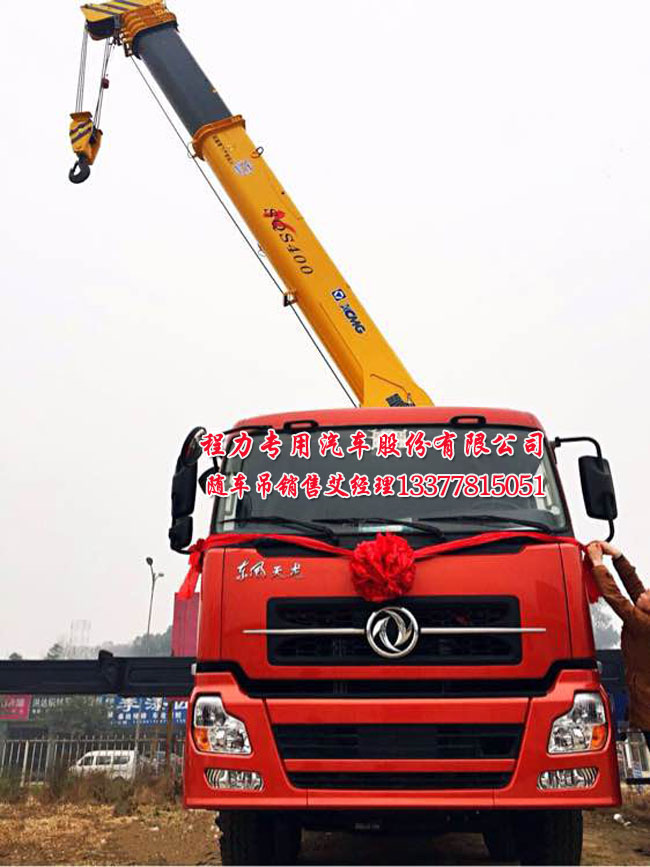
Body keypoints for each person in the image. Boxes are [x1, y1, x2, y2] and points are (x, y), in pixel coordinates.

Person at [587, 540, 650, 750]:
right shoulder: (644, 617)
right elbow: (635, 589)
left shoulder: (644, 624)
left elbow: (617, 599)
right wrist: (617, 556)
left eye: (649, 594)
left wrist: (598, 564)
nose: (644, 592)